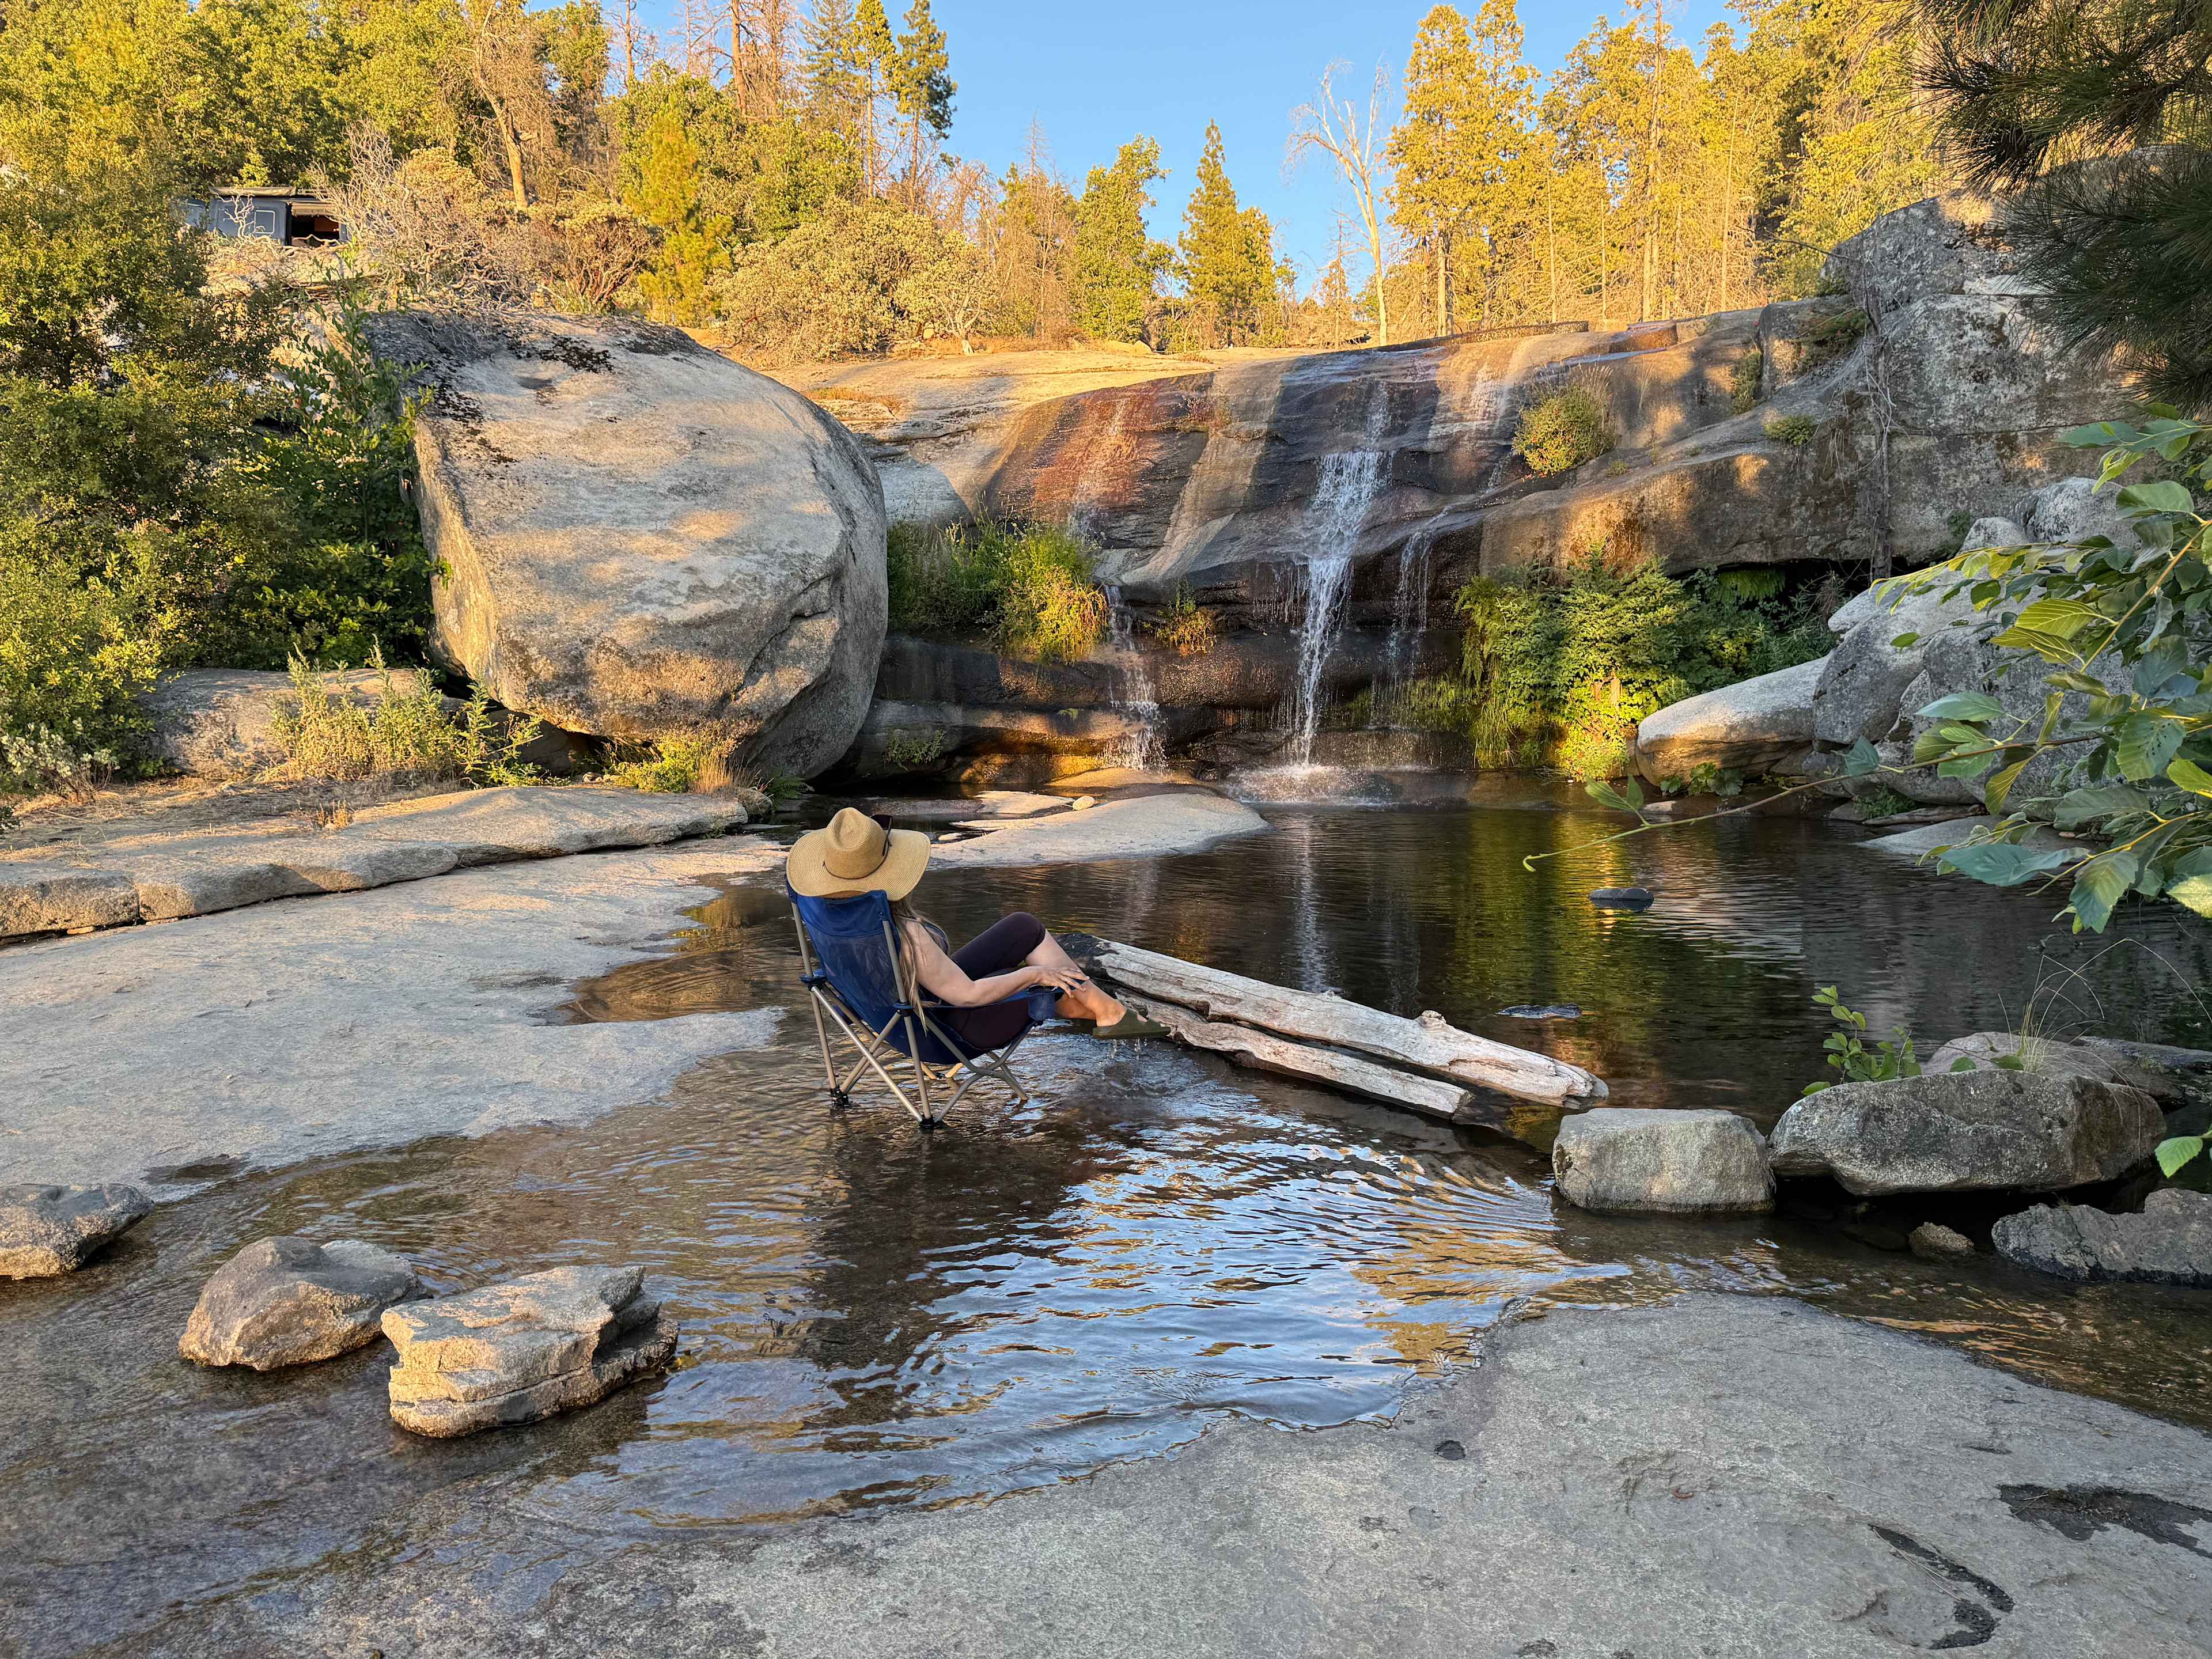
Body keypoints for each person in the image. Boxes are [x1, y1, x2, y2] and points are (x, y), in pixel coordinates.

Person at [785, 807, 1166, 1047]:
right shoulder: (907, 934)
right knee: (1034, 984)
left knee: (1023, 927)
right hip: (942, 1033)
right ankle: (1109, 1014)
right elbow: (966, 996)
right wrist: (1035, 974)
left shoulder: (822, 912)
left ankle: (1107, 1011)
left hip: (893, 1022)